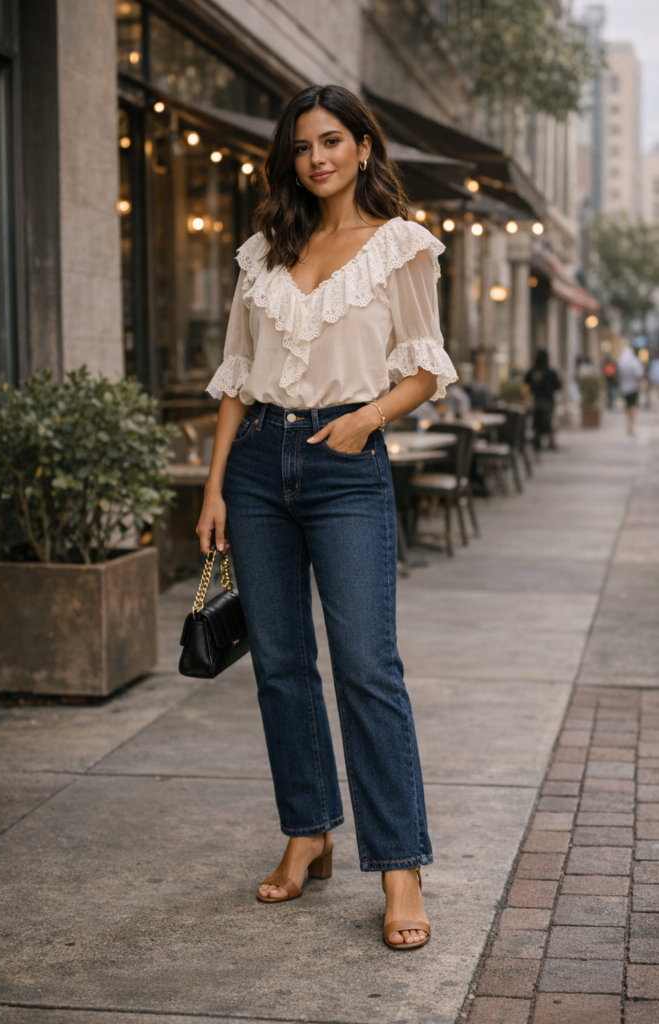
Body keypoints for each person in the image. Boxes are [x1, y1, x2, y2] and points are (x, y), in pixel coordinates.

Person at [196, 84, 457, 950]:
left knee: (365, 667)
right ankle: (307, 831)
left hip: (347, 463)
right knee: (277, 663)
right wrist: (214, 487)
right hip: (259, 468)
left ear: (363, 147)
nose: (317, 157)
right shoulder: (263, 253)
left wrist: (366, 419)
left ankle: (399, 867)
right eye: (303, 144)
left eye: (332, 140)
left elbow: (424, 371)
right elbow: (235, 377)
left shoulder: (399, 247)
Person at [524, 349, 562, 451]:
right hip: (548, 401)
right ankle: (551, 443)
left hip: (537, 401)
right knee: (548, 422)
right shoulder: (550, 372)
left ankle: (537, 442)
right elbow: (558, 386)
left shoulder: (532, 371)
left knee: (537, 422)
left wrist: (527, 396)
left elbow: (526, 384)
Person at [616, 346, 644, 436]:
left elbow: (618, 375)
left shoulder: (620, 361)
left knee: (628, 406)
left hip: (624, 388)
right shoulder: (635, 361)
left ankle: (629, 422)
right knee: (632, 406)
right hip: (633, 387)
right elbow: (639, 374)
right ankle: (631, 422)